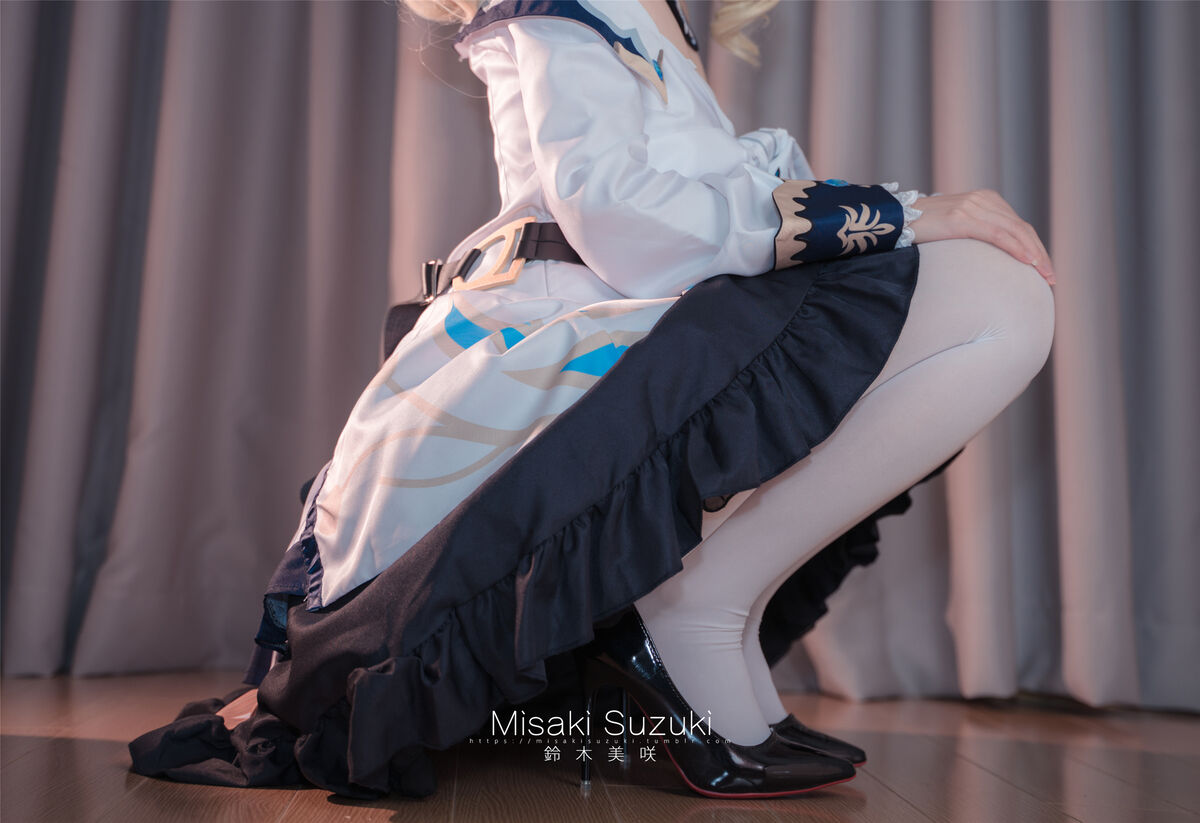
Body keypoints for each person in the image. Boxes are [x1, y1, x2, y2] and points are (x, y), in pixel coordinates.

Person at [130, 0, 1055, 801]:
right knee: (986, 294)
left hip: (631, 304)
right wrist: (902, 214)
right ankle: (691, 610)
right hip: (565, 328)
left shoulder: (656, 14)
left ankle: (699, 605)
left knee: (985, 292)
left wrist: (904, 214)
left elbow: (704, 209)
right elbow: (621, 216)